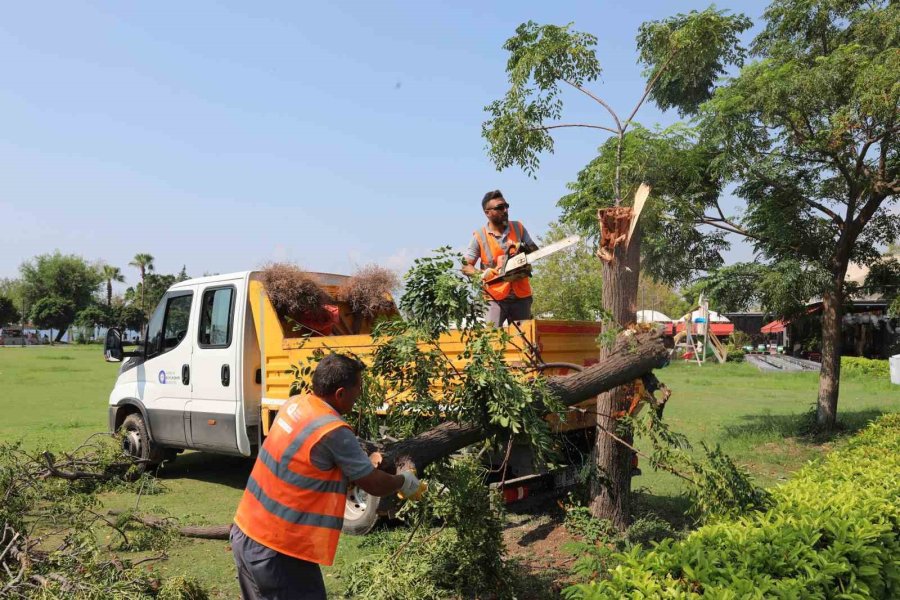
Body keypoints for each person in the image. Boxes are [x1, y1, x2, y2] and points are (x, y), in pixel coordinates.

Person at [231, 353, 425, 599]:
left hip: (246, 531)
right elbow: (374, 485)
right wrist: (404, 481)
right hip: (280, 552)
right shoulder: (332, 430)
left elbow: (308, 465)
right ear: (341, 393)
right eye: (358, 389)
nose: (359, 396)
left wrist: (364, 464)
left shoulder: (295, 404)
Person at [463, 190, 538, 326]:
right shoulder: (480, 236)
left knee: (523, 340)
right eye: (499, 208)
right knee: (493, 339)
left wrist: (522, 248)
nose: (505, 210)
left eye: (506, 206)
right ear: (487, 212)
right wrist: (481, 275)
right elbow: (465, 266)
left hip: (521, 296)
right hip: (494, 298)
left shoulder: (518, 228)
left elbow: (534, 251)